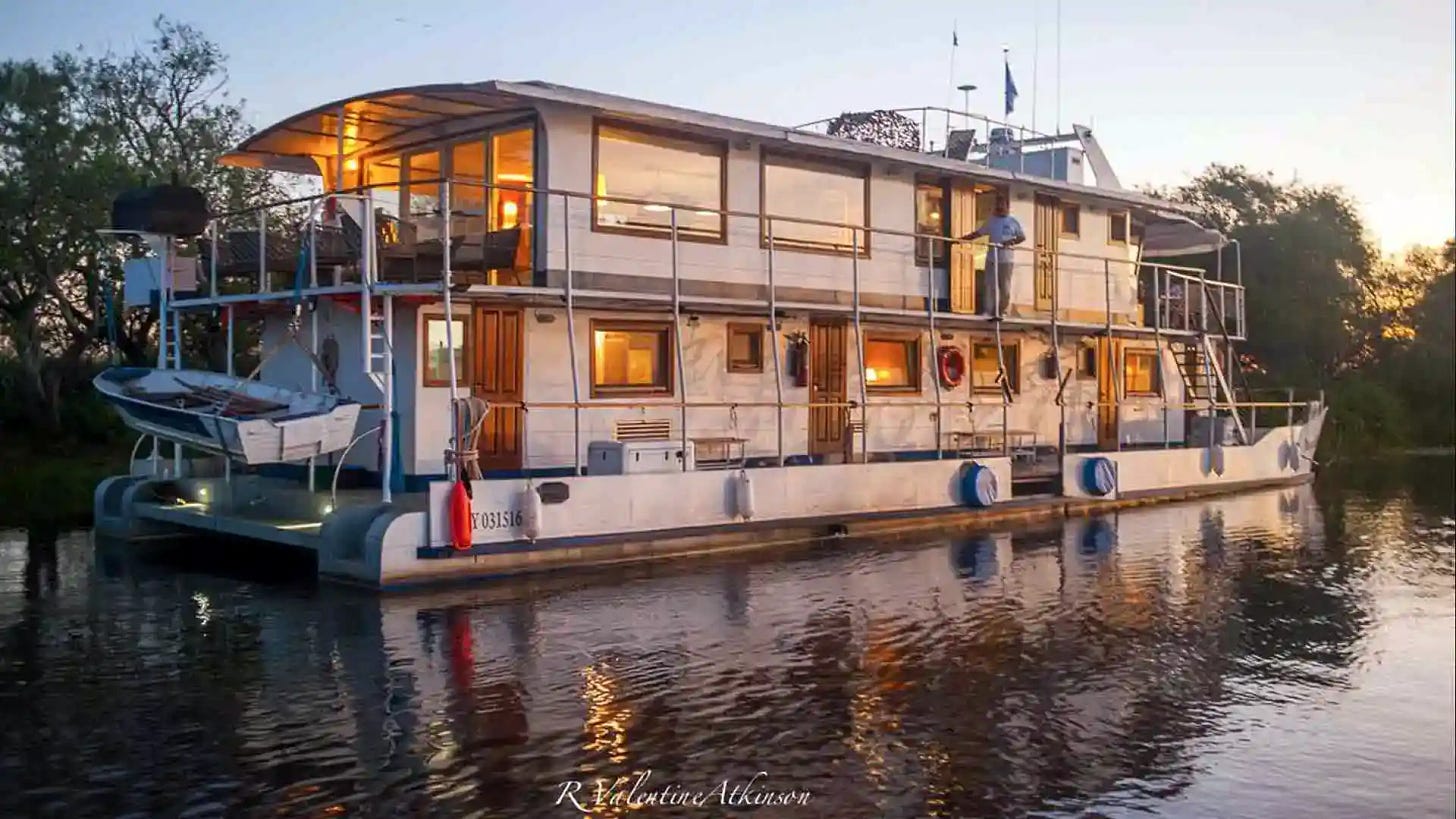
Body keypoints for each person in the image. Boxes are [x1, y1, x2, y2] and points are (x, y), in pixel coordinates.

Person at [962, 197, 1025, 318]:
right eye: (998, 205)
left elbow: (1021, 237)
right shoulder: (991, 221)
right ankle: (988, 311)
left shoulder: (1012, 222)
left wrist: (1011, 242)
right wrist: (962, 239)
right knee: (989, 285)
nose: (1000, 208)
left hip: (1006, 260)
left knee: (1005, 287)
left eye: (1003, 205)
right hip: (991, 258)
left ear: (1007, 207)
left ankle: (1002, 311)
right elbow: (978, 233)